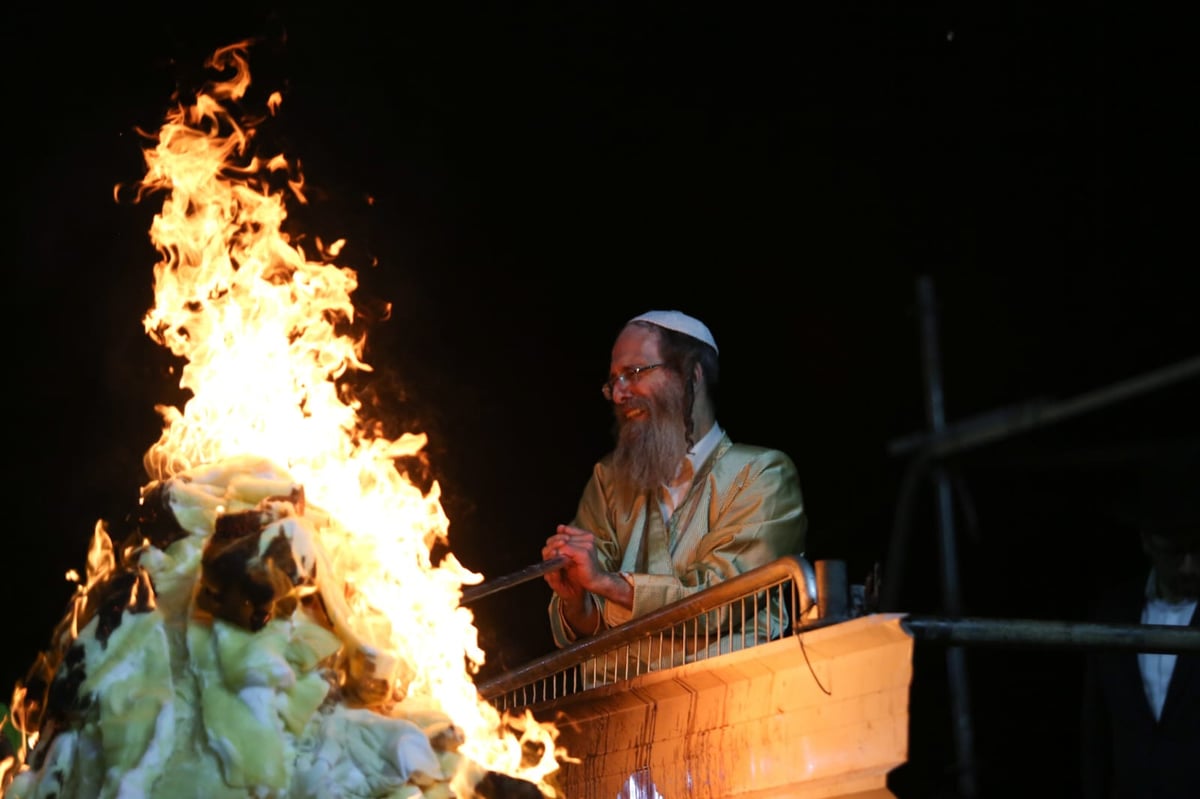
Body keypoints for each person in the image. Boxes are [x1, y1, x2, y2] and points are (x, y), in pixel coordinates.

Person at [541, 309, 807, 673]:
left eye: (633, 373)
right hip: (616, 709)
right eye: (613, 381)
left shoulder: (761, 474)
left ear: (691, 375)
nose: (619, 394)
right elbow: (590, 623)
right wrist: (577, 602)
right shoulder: (609, 480)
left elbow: (723, 600)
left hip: (734, 696)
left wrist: (608, 585)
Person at [1080, 450, 1200, 799]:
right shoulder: (1114, 611)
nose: (1191, 567)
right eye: (1176, 552)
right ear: (1147, 541)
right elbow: (1097, 733)